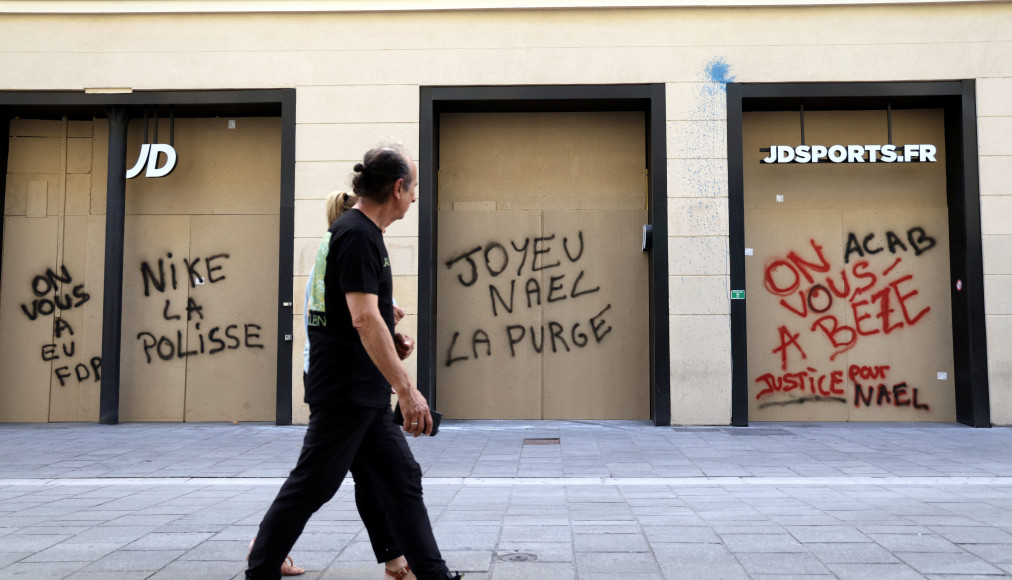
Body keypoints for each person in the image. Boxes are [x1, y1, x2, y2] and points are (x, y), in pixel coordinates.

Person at [246, 145, 460, 580]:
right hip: (345, 389)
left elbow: (358, 317)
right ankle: (260, 569)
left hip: (358, 387)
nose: (416, 197)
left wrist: (390, 343)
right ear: (398, 188)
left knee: (401, 478)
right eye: (414, 188)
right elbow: (363, 319)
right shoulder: (358, 235)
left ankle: (431, 574)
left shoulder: (357, 233)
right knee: (313, 485)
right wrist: (407, 389)